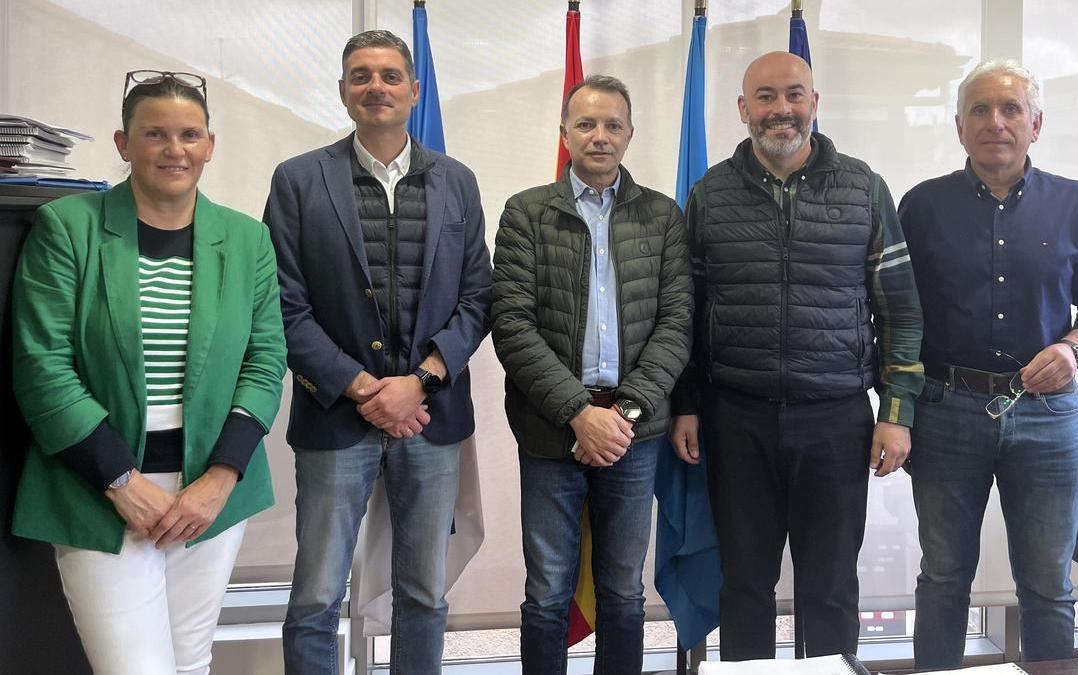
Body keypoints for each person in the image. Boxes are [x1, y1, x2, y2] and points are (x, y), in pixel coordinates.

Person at [10, 70, 286, 675]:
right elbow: (41, 365)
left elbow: (265, 361)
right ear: (122, 143)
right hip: (97, 490)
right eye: (154, 133)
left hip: (208, 494)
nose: (174, 149)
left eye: (189, 134)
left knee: (190, 662)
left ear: (210, 146)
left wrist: (220, 478)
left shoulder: (246, 240)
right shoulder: (69, 228)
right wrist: (120, 481)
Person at [669, 51, 924, 660]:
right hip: (737, 418)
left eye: (793, 94)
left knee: (831, 586)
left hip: (835, 417)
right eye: (765, 96)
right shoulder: (710, 194)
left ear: (815, 102)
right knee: (745, 584)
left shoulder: (864, 187)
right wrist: (684, 404)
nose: (780, 109)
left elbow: (901, 310)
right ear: (742, 109)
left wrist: (897, 411)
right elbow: (684, 312)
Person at [264, 30, 491, 674]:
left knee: (423, 593)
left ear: (414, 91)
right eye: (361, 76)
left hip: (431, 416)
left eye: (390, 76)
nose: (376, 87)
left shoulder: (458, 182)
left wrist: (418, 382)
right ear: (342, 92)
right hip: (337, 415)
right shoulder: (299, 181)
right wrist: (365, 389)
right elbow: (284, 304)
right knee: (314, 596)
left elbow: (478, 297)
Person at [899, 59, 1078, 668]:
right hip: (945, 413)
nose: (995, 122)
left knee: (1049, 584)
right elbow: (893, 312)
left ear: (1036, 124)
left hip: (1048, 415)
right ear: (958, 126)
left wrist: (1074, 347)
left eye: (1011, 109)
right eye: (980, 110)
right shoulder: (920, 207)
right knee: (943, 577)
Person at [491, 74, 692, 674]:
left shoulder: (663, 216)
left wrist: (622, 416)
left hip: (633, 433)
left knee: (624, 588)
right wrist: (580, 413)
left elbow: (678, 323)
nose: (599, 136)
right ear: (565, 133)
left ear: (629, 135)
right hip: (552, 429)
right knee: (548, 589)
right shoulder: (526, 213)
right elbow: (511, 324)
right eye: (586, 124)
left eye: (611, 125)